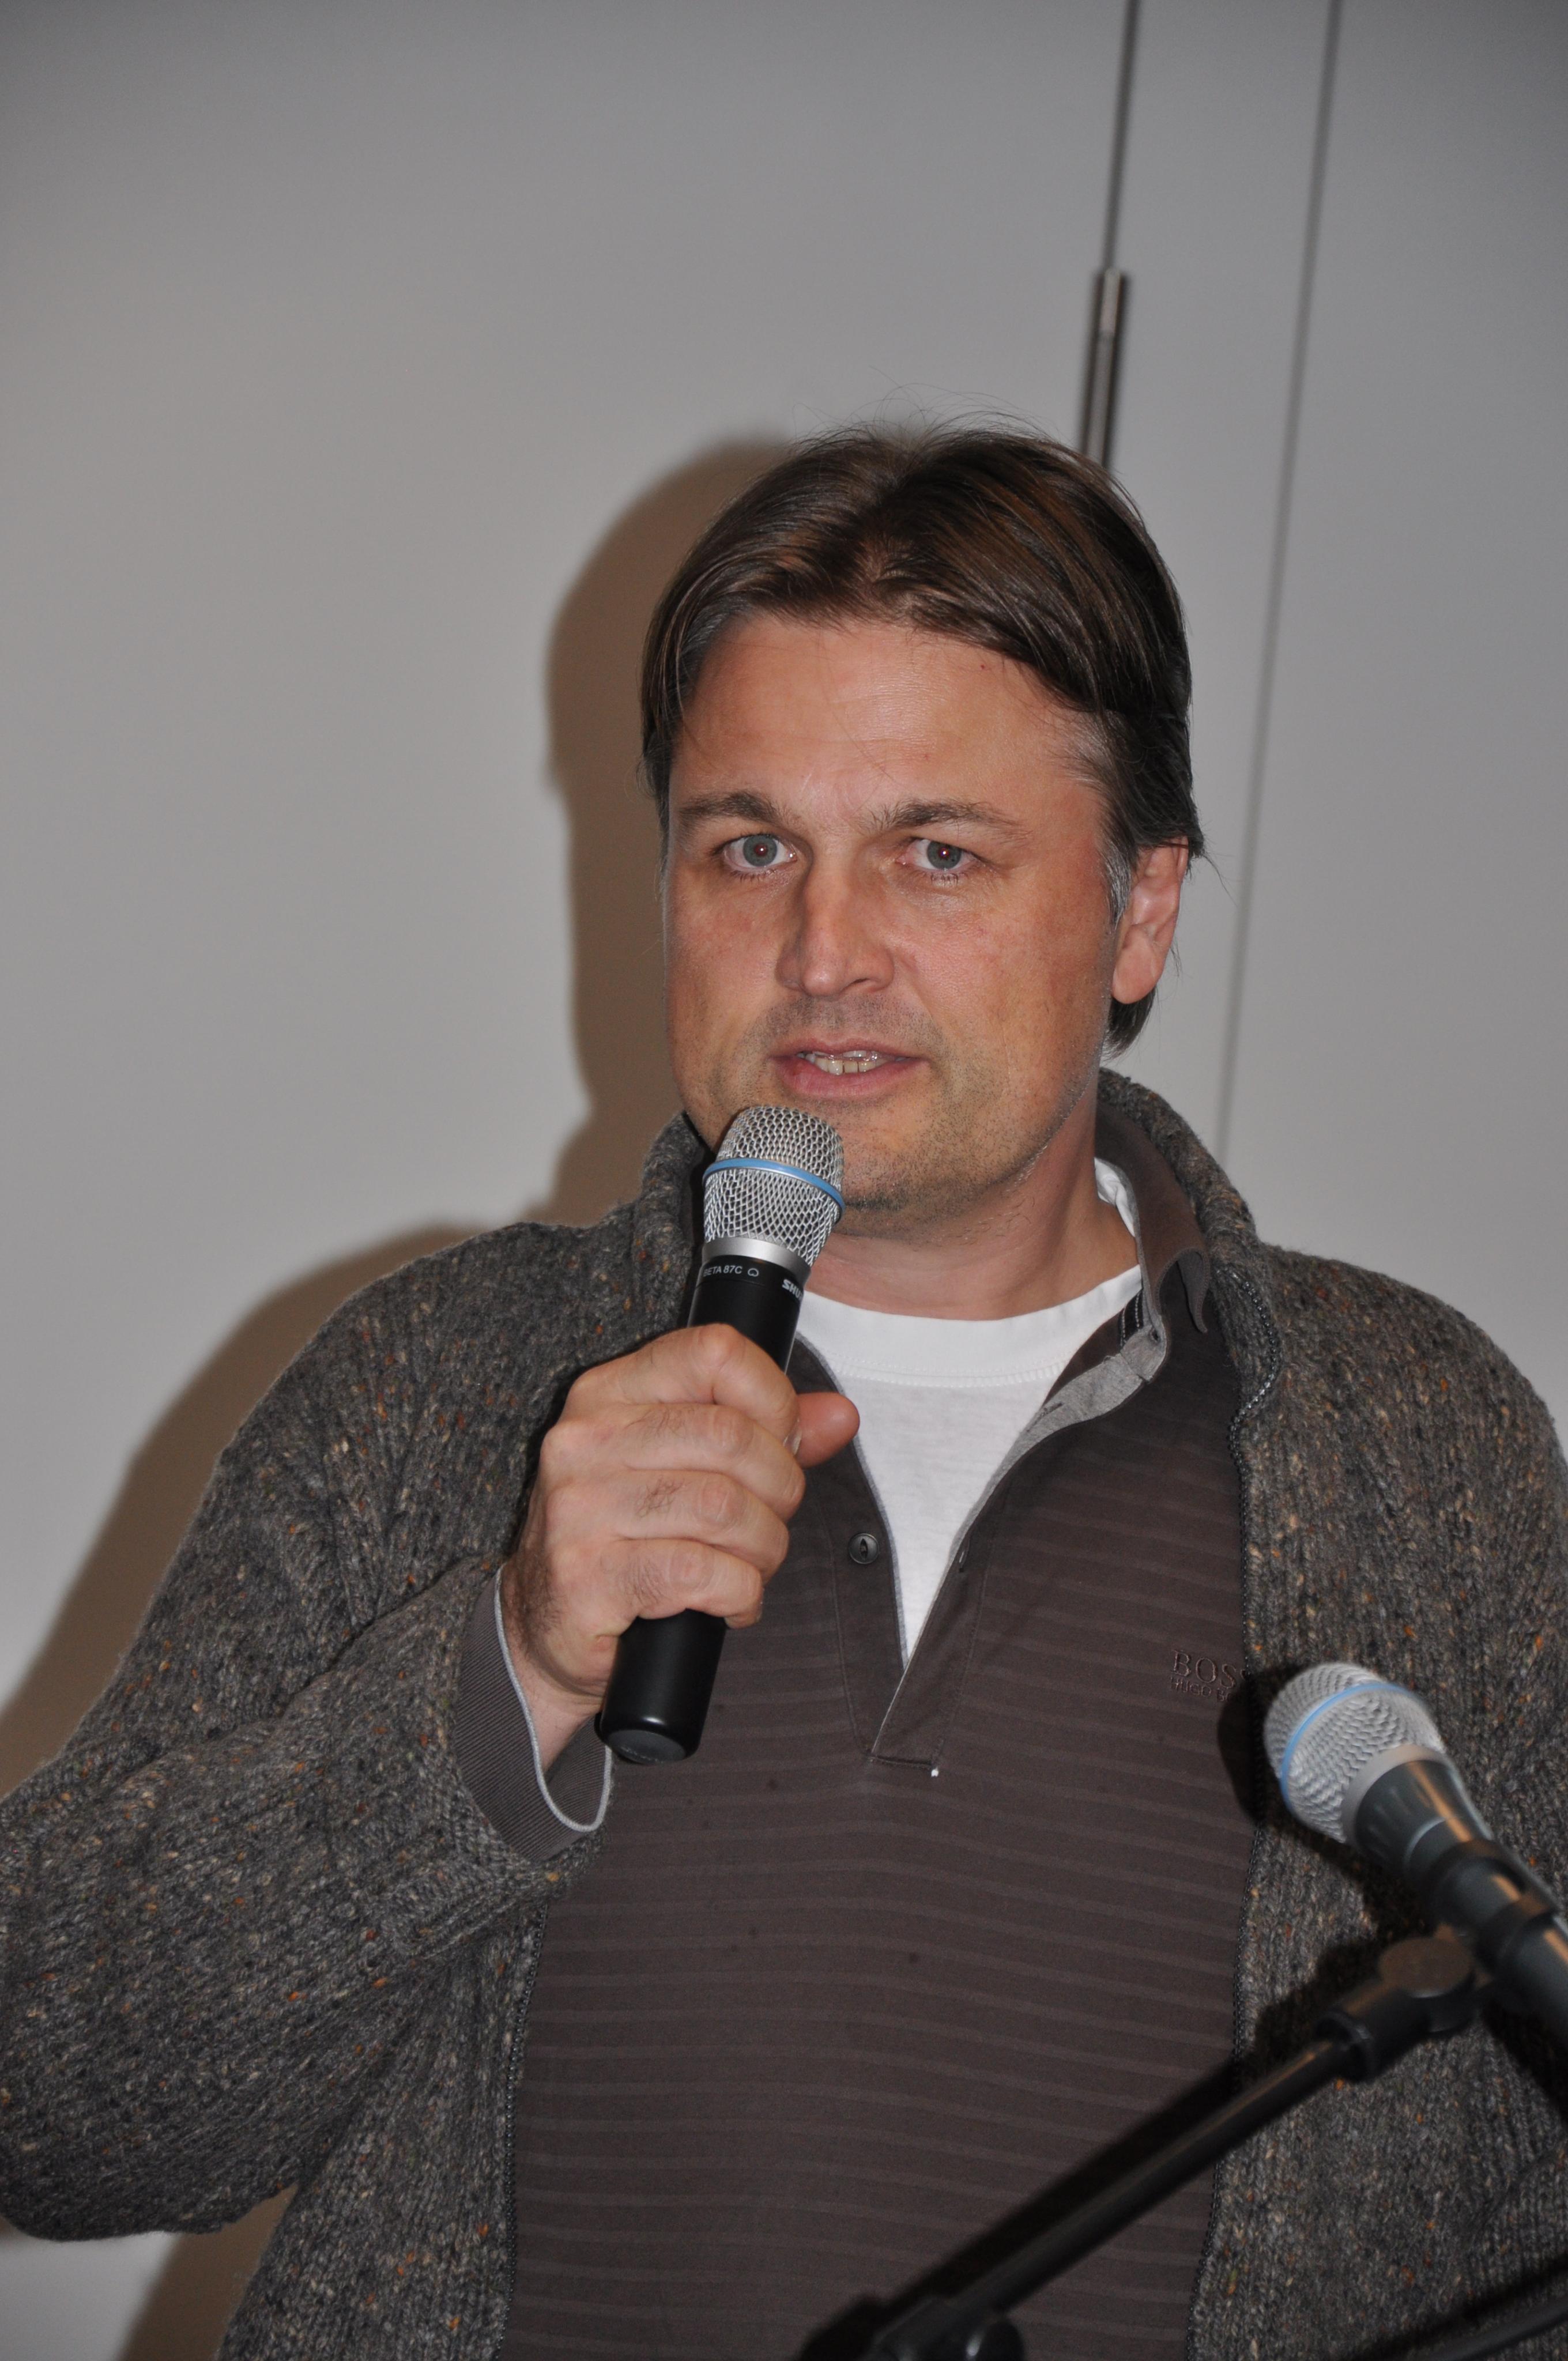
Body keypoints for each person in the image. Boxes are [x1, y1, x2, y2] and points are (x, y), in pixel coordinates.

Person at [2, 428, 1564, 2361]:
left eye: (936, 853)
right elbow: (52, 2102)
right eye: (750, 848)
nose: (824, 954)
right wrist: (505, 1676)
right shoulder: (428, 1386)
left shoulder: (1425, 1444)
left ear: (1142, 907)